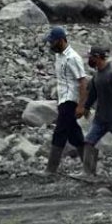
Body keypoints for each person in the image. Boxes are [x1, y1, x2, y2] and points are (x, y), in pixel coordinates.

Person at [81, 46, 112, 177]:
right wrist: (86, 107)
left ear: (97, 57)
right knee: (89, 142)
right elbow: (93, 94)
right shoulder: (97, 75)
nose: (90, 60)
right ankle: (88, 172)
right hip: (100, 118)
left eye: (91, 57)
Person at [44, 26, 87, 175]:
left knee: (60, 132)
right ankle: (90, 167)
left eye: (53, 42)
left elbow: (82, 81)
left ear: (61, 40)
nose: (51, 45)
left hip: (70, 100)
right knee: (74, 134)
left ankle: (51, 170)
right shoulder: (59, 56)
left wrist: (81, 105)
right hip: (63, 99)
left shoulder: (73, 58)